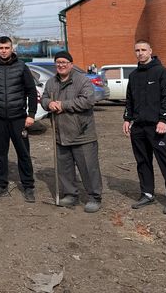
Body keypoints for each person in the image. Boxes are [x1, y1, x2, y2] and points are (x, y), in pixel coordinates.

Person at [123, 40, 166, 215]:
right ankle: (147, 194)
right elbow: (129, 99)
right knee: (142, 161)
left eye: (143, 50)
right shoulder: (134, 76)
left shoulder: (162, 73)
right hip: (138, 128)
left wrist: (164, 120)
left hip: (157, 127)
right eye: (137, 50)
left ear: (150, 51)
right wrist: (127, 119)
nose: (140, 53)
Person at [41, 51, 102, 212]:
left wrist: (63, 105)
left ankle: (94, 197)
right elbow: (44, 98)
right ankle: (70, 195)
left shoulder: (82, 80)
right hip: (60, 133)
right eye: (58, 62)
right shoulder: (51, 82)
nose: (61, 65)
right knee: (65, 167)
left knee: (88, 168)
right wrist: (48, 104)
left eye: (64, 62)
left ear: (71, 64)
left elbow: (88, 101)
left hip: (82, 133)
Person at [0, 36, 38, 202]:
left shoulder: (21, 67)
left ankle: (28, 186)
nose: (3, 51)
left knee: (23, 153)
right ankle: (1, 185)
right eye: (0, 48)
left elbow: (31, 91)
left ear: (12, 49)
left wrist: (31, 114)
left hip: (18, 118)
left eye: (6, 48)